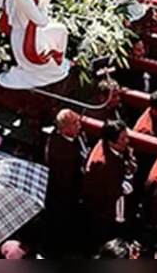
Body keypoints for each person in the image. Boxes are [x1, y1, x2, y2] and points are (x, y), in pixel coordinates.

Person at [82, 119, 135, 253]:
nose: (127, 141)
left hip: (113, 205)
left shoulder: (115, 149)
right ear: (111, 142)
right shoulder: (101, 164)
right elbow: (114, 191)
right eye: (123, 139)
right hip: (104, 212)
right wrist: (128, 180)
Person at [43, 109, 87, 256]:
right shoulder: (61, 150)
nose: (79, 125)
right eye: (75, 123)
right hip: (63, 196)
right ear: (63, 129)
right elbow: (67, 178)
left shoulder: (74, 137)